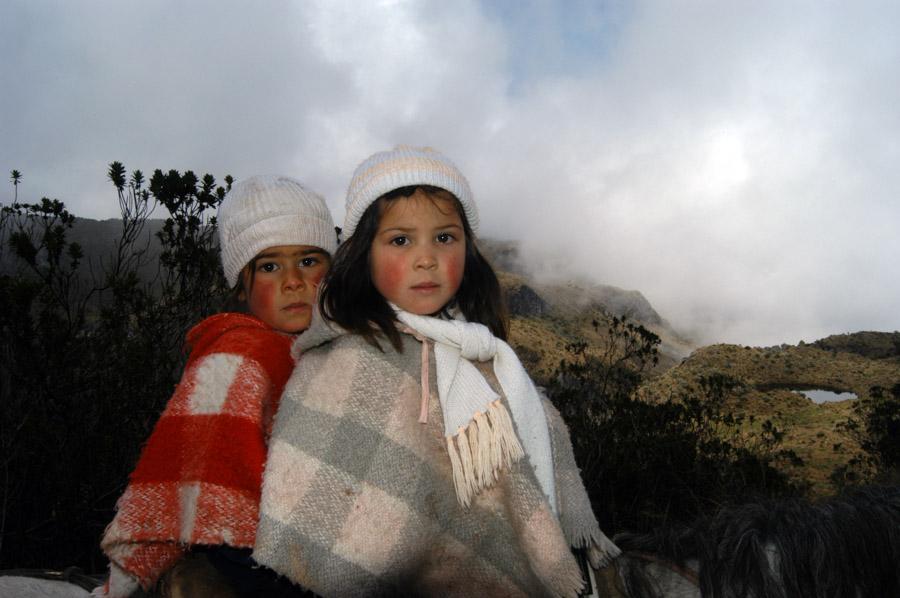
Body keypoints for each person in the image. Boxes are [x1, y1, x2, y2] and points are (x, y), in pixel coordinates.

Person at [254, 146, 620, 597]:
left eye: (444, 238)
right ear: (363, 255)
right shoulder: (348, 360)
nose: (426, 258)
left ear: (468, 249)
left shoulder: (484, 354)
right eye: (401, 240)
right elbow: (325, 506)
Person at [95, 175, 337, 598]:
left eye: (309, 260)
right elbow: (213, 499)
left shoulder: (330, 351)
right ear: (241, 287)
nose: (293, 280)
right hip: (239, 558)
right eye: (269, 266)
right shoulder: (239, 355)